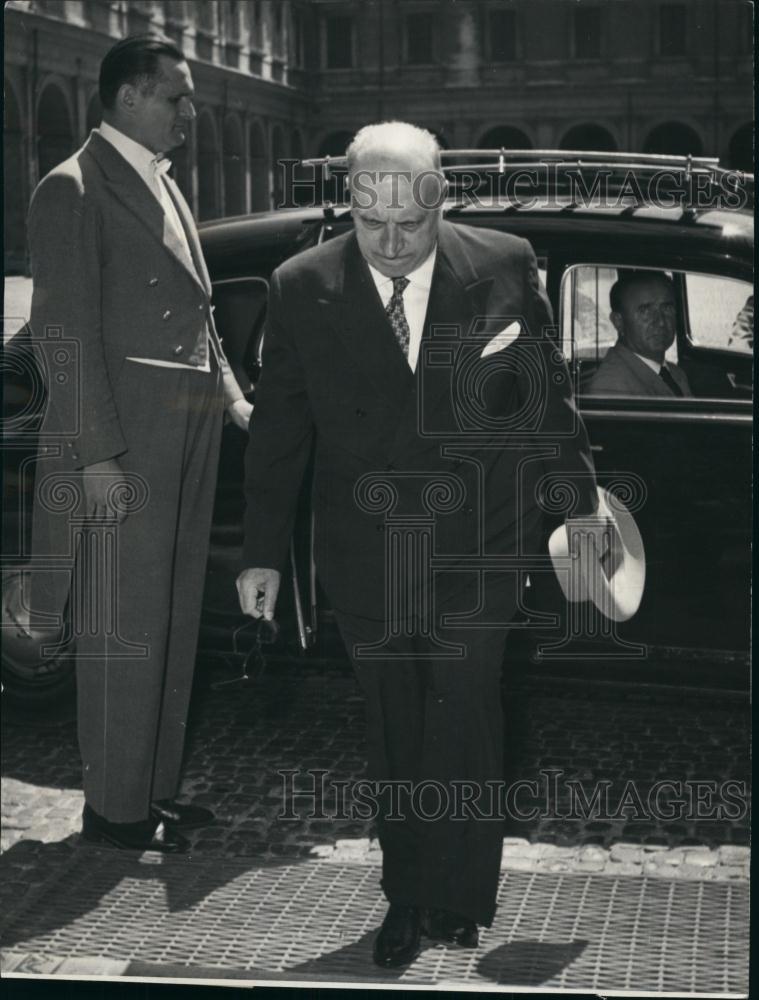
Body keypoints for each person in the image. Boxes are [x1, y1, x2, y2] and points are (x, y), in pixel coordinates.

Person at [237, 122, 605, 967]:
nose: (395, 246)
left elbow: (547, 400)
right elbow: (281, 429)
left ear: (442, 199)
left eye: (413, 225)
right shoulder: (301, 285)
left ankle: (460, 895)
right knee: (395, 723)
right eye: (374, 227)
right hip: (370, 547)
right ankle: (407, 892)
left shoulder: (505, 263)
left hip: (484, 536)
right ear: (349, 207)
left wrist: (579, 509)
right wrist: (261, 554)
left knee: (467, 715)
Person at [28, 35, 252, 853]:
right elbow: (61, 333)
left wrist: (232, 396)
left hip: (185, 428)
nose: (190, 114)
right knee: (126, 627)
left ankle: (150, 790)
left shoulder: (162, 182)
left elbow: (200, 313)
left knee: (171, 619)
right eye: (176, 99)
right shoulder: (73, 188)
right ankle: (115, 814)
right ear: (127, 97)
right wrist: (92, 455)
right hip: (123, 439)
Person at [586, 271, 692, 396]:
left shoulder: (675, 373)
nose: (661, 322)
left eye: (667, 308)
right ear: (618, 322)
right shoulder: (610, 386)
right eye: (645, 311)